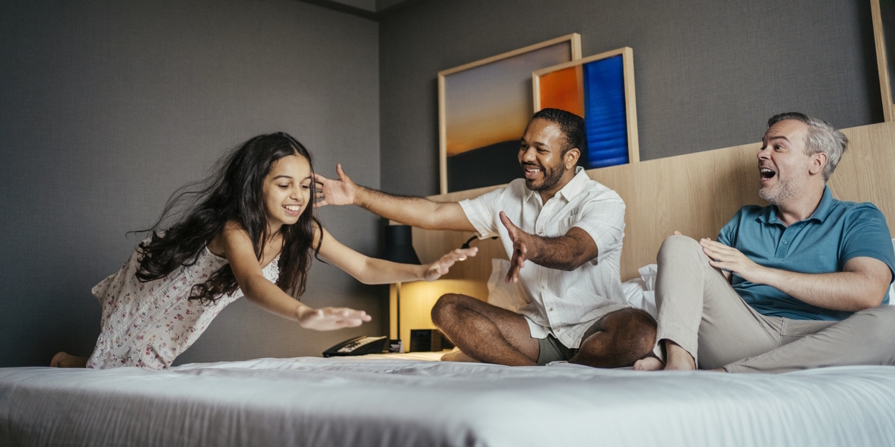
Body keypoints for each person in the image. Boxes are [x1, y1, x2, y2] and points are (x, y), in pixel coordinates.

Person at [51, 132, 475, 369]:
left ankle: (64, 362)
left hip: (193, 306)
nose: (298, 197)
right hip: (155, 288)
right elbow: (253, 283)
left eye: (306, 186)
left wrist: (422, 273)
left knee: (134, 370)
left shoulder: (301, 230)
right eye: (284, 184)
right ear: (256, 186)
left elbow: (362, 265)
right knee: (122, 370)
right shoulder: (234, 227)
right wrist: (303, 313)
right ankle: (65, 363)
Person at [314, 108, 656, 367]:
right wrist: (357, 195)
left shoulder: (603, 201)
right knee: (447, 308)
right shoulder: (510, 196)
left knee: (641, 331)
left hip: (598, 331)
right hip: (537, 334)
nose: (526, 157)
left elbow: (576, 251)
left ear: (571, 158)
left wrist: (531, 245)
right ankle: (533, 378)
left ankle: (565, 372)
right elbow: (434, 214)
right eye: (524, 147)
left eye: (540, 149)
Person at [635, 112, 895, 373]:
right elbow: (715, 287)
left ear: (816, 162)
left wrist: (761, 273)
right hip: (746, 334)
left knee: (891, 323)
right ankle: (679, 364)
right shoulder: (744, 220)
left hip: (825, 339)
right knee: (679, 246)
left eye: (778, 146)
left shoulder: (859, 218)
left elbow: (869, 291)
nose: (761, 154)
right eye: (763, 146)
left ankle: (728, 375)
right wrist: (690, 262)